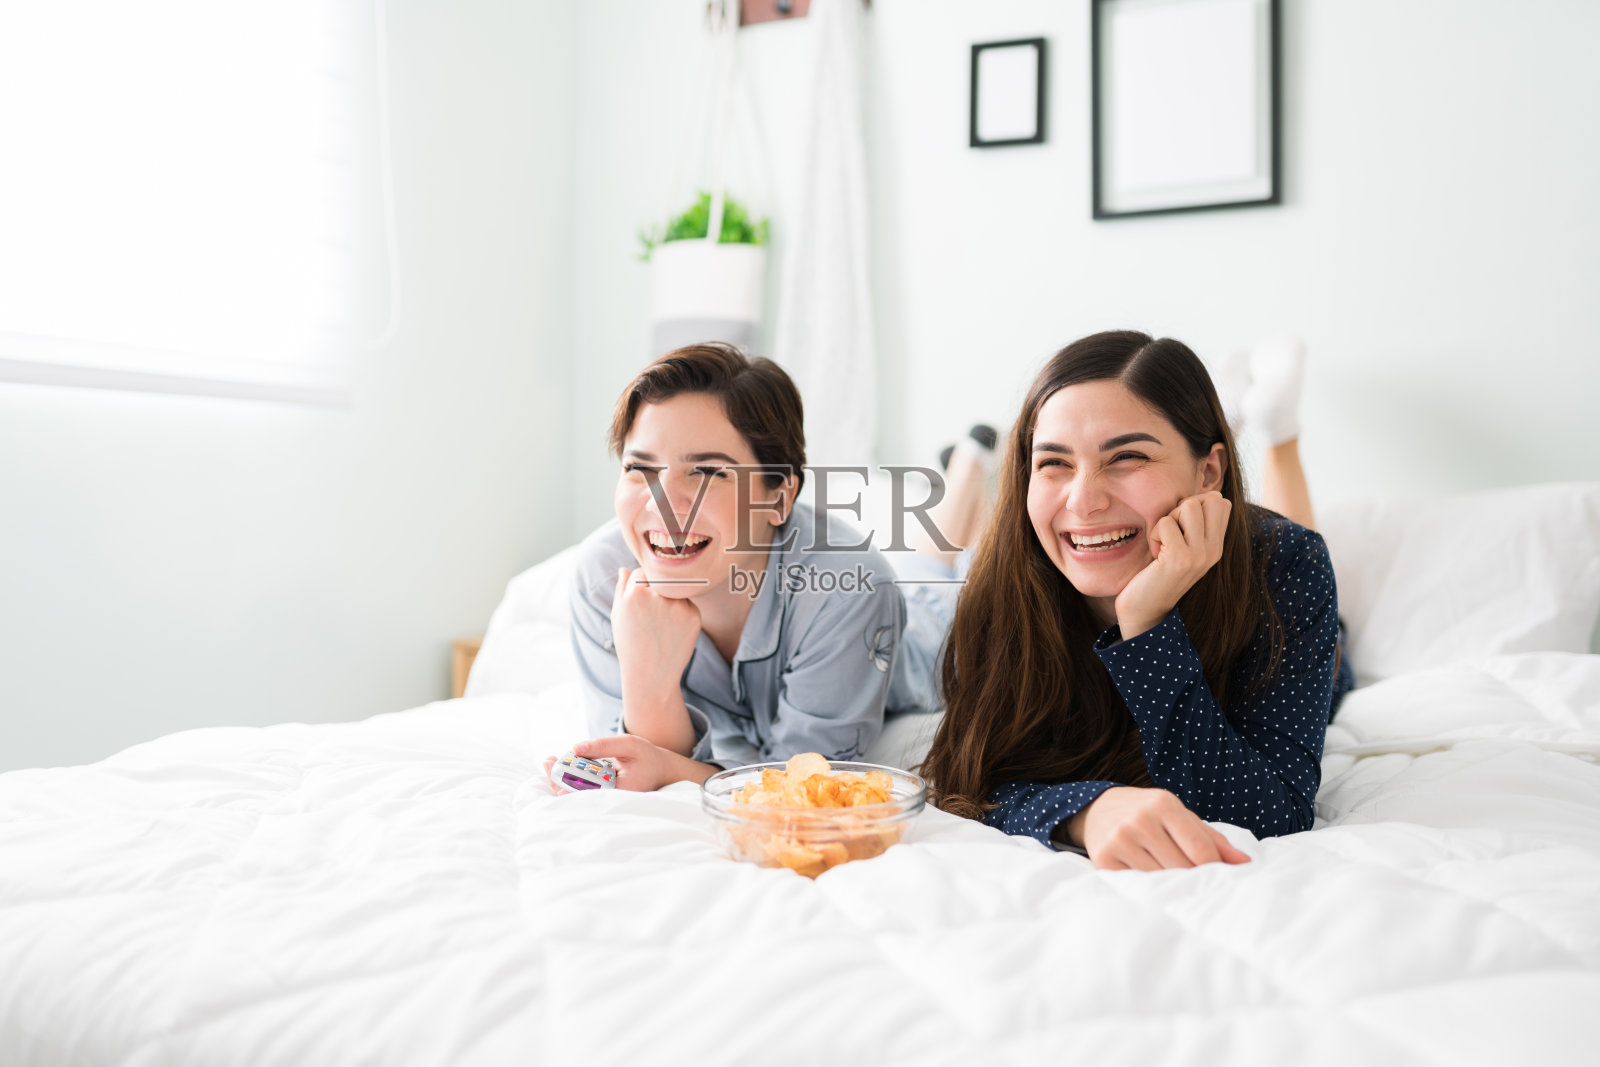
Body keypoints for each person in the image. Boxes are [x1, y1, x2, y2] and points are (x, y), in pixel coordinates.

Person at [919, 330, 1355, 871]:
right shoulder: (1000, 585)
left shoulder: (1288, 565)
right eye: (1054, 463)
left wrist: (1147, 625)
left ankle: (1277, 432)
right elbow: (970, 784)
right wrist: (1086, 811)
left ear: (1208, 471)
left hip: (1296, 626)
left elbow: (1270, 814)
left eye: (1127, 456)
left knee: (1289, 550)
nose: (1084, 501)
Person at [552, 342, 943, 792]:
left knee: (935, 571)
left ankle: (969, 468)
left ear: (778, 498)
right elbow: (635, 764)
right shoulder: (601, 579)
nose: (663, 504)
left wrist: (667, 762)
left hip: (930, 632)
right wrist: (649, 683)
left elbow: (800, 786)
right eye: (640, 468)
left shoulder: (849, 590)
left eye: (707, 473)